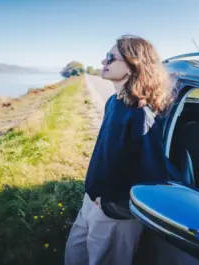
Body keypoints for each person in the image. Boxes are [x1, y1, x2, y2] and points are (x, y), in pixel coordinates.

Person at [64, 35, 175, 265]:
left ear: (132, 65)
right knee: (74, 255)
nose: (103, 62)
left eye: (110, 58)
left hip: (114, 214)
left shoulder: (140, 115)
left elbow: (152, 178)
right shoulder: (113, 102)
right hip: (92, 201)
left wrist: (109, 202)